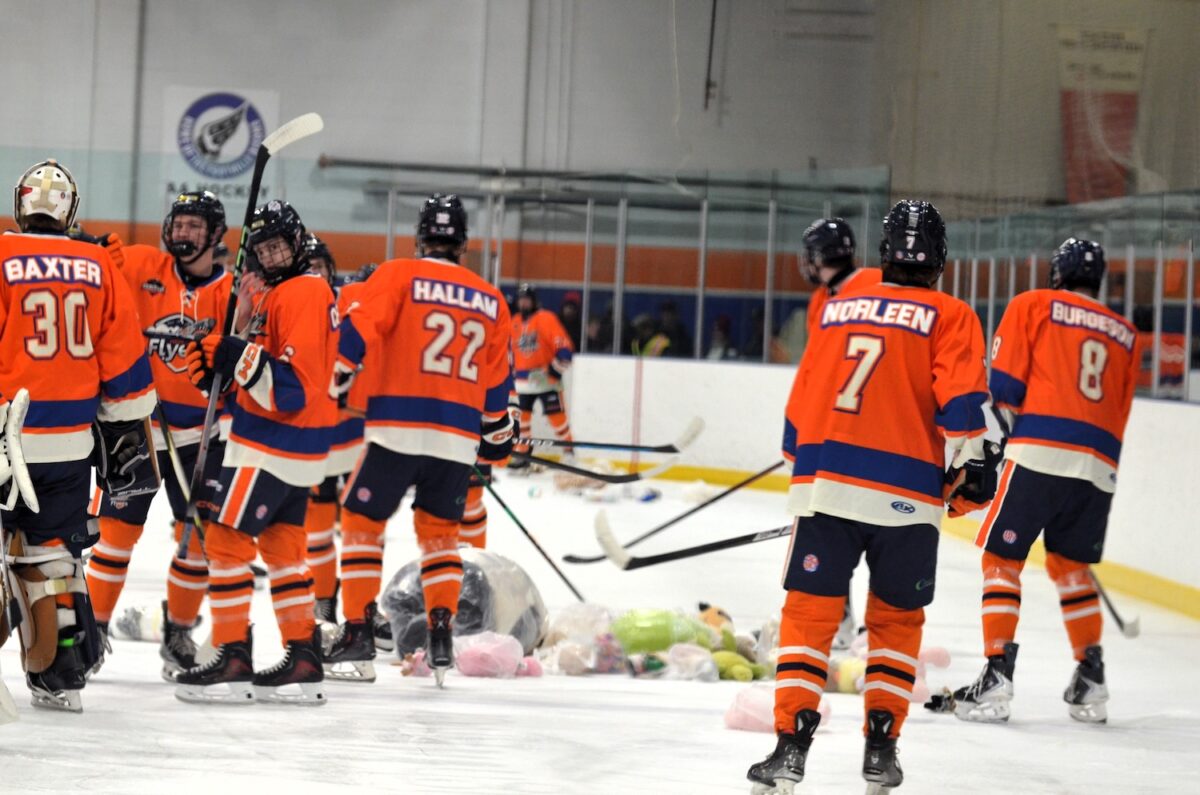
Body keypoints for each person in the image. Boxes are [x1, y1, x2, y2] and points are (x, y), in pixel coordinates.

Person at [748, 200, 998, 793]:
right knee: (896, 623)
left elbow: (797, 414)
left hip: (827, 488)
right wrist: (970, 473)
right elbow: (964, 413)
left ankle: (789, 749)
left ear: (884, 252)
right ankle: (881, 751)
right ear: (940, 258)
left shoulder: (839, 306)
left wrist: (810, 476)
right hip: (908, 498)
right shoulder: (952, 314)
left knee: (809, 619)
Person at [947, 238, 1138, 725]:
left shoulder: (1033, 304)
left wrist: (987, 456)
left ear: (1057, 273)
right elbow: (1119, 410)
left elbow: (1005, 390)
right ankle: (1091, 676)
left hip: (1040, 451)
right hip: (1099, 464)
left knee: (1002, 558)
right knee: (1070, 567)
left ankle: (997, 674)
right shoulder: (1126, 333)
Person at [327, 194, 514, 686]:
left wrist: (337, 373)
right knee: (441, 537)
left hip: (397, 428)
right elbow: (497, 383)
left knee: (362, 522)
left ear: (420, 237)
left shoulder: (398, 274)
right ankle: (441, 636)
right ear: (463, 244)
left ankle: (358, 631)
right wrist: (496, 431)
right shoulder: (491, 299)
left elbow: (358, 327)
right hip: (457, 439)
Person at [0, 159, 158, 712]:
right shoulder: (96, 264)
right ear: (70, 212)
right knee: (53, 558)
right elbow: (125, 361)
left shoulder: (2, 256)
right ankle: (59, 672)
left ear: (21, 205)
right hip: (69, 443)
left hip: (6, 439)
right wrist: (124, 421)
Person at [174, 200, 337, 705]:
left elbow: (293, 387)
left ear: (298, 243)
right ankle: (304, 655)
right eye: (262, 249)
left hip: (271, 443)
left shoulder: (304, 291)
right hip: (293, 447)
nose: (270, 256)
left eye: (278, 246)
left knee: (225, 540)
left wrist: (238, 356)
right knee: (284, 550)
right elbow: (256, 368)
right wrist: (224, 364)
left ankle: (231, 653)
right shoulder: (279, 292)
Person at [83, 191, 232, 680]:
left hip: (202, 436)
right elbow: (98, 277)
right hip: (138, 430)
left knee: (197, 539)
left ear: (215, 234)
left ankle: (179, 633)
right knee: (115, 535)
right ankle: (92, 630)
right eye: (179, 223)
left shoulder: (231, 292)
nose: (183, 232)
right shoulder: (143, 264)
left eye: (194, 225)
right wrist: (96, 254)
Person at [509, 282, 575, 472]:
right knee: (521, 419)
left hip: (546, 381)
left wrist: (555, 370)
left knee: (557, 419)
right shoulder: (514, 322)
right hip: (522, 383)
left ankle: (569, 452)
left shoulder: (546, 318)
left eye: (527, 300)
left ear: (534, 301)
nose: (524, 303)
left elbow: (565, 349)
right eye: (521, 299)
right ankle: (523, 453)